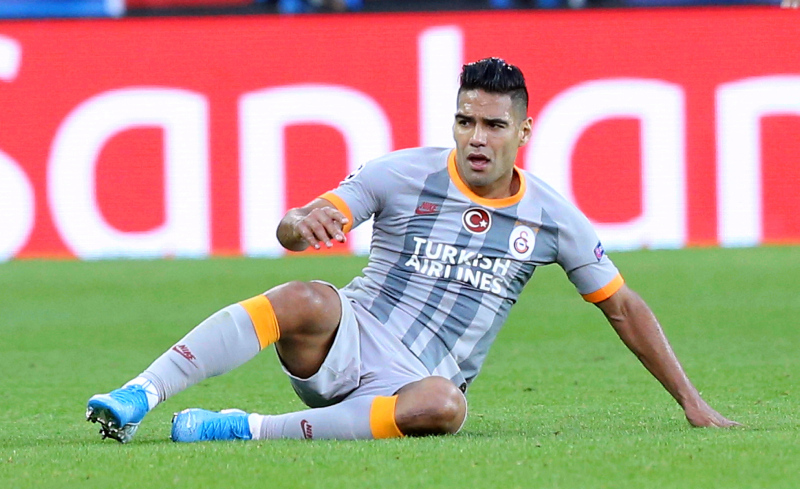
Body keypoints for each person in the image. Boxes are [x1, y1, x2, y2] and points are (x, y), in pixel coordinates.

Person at [86, 57, 738, 444]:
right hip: (345, 337)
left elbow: (622, 306)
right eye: (465, 120)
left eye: (493, 125)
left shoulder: (552, 217)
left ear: (523, 132)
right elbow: (299, 224)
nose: (476, 138)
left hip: (417, 382)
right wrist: (299, 225)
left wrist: (690, 400)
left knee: (446, 408)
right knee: (306, 296)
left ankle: (243, 428)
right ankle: (141, 392)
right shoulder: (401, 173)